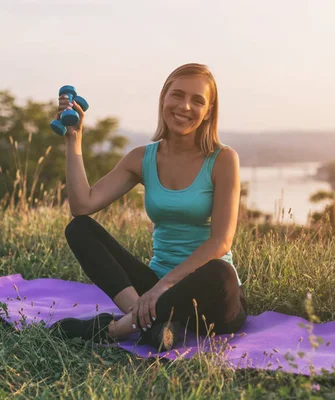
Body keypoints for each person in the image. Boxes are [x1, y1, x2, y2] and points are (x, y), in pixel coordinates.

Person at [50, 63, 247, 351]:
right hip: (152, 287)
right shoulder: (141, 158)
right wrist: (74, 137)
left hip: (210, 299)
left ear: (209, 110)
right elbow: (82, 205)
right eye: (177, 95)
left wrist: (162, 288)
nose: (185, 106)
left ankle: (117, 328)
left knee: (220, 271)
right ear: (164, 98)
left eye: (197, 100)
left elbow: (221, 241)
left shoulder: (223, 159)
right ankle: (153, 322)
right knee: (79, 228)